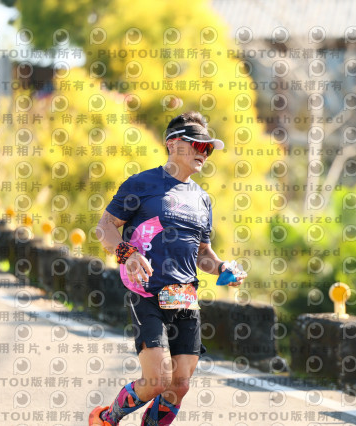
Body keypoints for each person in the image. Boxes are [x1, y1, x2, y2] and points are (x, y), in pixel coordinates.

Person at [89, 111, 246, 426]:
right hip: (147, 293)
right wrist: (127, 253)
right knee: (157, 380)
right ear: (173, 144)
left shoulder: (202, 199)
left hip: (185, 297)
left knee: (179, 386)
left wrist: (222, 268)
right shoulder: (142, 184)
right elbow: (105, 227)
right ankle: (107, 418)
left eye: (208, 148)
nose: (204, 153)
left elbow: (202, 253)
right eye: (197, 145)